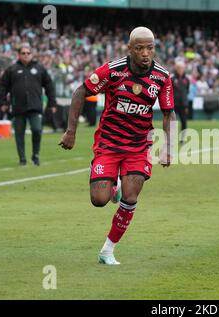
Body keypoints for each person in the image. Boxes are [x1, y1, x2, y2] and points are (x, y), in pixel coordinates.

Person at [59, 27, 176, 265]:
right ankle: (114, 188)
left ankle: (107, 250)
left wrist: (168, 147)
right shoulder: (112, 71)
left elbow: (168, 114)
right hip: (109, 143)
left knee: (131, 197)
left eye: (150, 48)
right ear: (130, 49)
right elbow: (80, 92)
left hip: (138, 145)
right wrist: (71, 131)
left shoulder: (162, 77)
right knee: (99, 199)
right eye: (140, 48)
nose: (146, 53)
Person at [0, 43, 57, 166]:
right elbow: (3, 87)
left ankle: (35, 155)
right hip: (18, 107)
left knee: (36, 129)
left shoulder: (40, 68)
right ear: (18, 55)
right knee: (19, 134)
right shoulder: (11, 70)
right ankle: (22, 159)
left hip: (35, 106)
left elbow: (49, 86)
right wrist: (3, 102)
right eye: (23, 53)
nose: (26, 55)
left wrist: (52, 103)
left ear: (32, 54)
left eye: (28, 53)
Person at [172, 61, 190, 144]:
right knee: (172, 123)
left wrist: (186, 104)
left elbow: (187, 91)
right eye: (179, 68)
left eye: (182, 68)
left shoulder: (186, 79)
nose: (180, 69)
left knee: (184, 121)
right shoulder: (172, 79)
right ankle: (171, 139)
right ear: (176, 68)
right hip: (174, 104)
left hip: (183, 105)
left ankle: (182, 139)